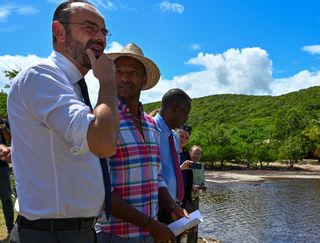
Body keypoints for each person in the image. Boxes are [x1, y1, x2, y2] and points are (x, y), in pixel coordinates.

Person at [7, 1, 118, 242]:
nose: (100, 38)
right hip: (52, 234)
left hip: (73, 231)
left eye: (104, 31)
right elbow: (103, 143)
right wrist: (109, 82)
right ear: (59, 32)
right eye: (90, 27)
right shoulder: (42, 75)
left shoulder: (72, 86)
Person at [96, 43, 175, 243]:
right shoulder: (102, 121)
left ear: (144, 80)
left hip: (148, 234)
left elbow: (156, 177)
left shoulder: (150, 125)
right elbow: (100, 188)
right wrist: (150, 224)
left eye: (133, 73)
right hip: (114, 234)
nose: (124, 78)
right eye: (119, 72)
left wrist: (172, 206)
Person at [153, 89, 191, 229]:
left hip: (173, 205)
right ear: (173, 109)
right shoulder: (151, 129)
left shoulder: (174, 136)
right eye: (185, 114)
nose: (186, 119)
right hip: (158, 207)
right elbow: (155, 175)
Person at [184, 145, 206, 243]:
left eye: (199, 154)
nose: (197, 155)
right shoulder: (186, 164)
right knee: (186, 223)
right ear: (190, 153)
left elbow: (202, 180)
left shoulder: (201, 166)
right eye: (195, 153)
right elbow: (183, 179)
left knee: (195, 223)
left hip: (196, 198)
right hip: (186, 198)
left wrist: (203, 186)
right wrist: (192, 187)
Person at [0, 116, 12, 235]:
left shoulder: (2, 123)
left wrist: (2, 125)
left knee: (7, 199)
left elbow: (10, 140)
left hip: (2, 167)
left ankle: (10, 228)